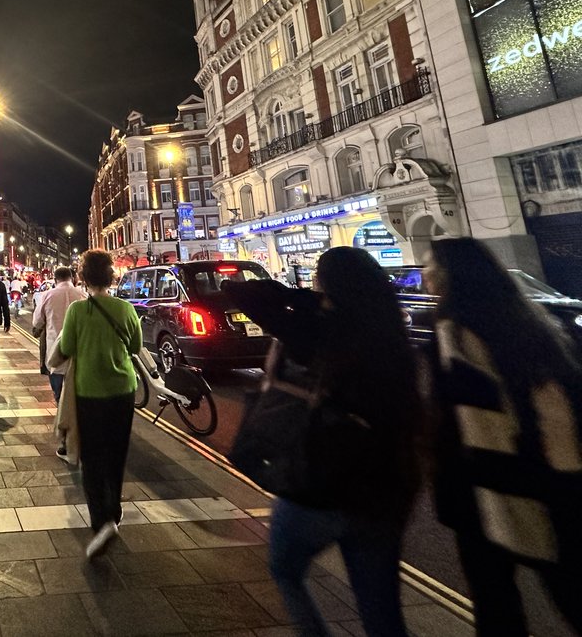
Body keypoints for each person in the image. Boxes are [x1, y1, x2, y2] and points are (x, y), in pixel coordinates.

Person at [223, 246, 421, 637]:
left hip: (324, 482)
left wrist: (304, 296)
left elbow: (240, 293)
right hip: (386, 491)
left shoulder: (319, 331)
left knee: (284, 569)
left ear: (326, 284)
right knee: (380, 608)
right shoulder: (392, 333)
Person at [424, 238, 582, 635]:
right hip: (551, 478)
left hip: (491, 488)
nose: (423, 274)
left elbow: (473, 425)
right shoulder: (529, 323)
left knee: (496, 602)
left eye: (429, 265)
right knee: (567, 589)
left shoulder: (455, 334)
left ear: (449, 276)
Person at [50, 250, 141, 561]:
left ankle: (101, 523)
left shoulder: (78, 312)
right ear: (111, 276)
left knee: (92, 458)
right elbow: (136, 346)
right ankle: (114, 513)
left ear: (84, 278)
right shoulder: (126, 309)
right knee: (116, 453)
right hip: (123, 391)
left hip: (89, 392)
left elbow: (65, 348)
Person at [34, 266, 87, 406]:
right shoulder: (82, 295)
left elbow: (37, 321)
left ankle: (59, 404)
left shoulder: (47, 295)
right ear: (72, 277)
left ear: (55, 278)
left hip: (55, 347)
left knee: (57, 381)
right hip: (78, 348)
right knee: (76, 387)